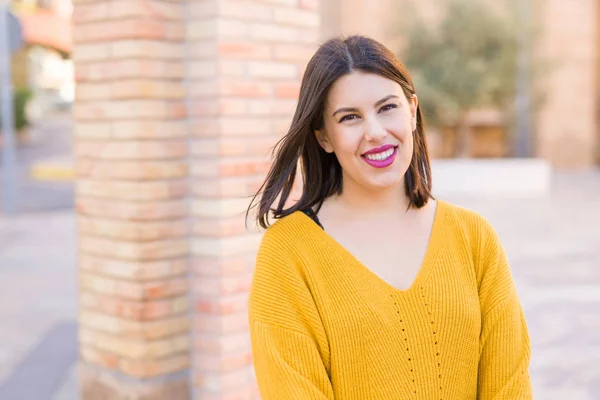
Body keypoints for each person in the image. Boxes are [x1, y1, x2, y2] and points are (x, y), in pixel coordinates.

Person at [246, 35, 532, 399]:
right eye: (349, 117)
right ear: (324, 138)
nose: (376, 132)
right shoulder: (288, 252)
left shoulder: (474, 237)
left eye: (387, 108)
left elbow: (510, 387)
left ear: (412, 110)